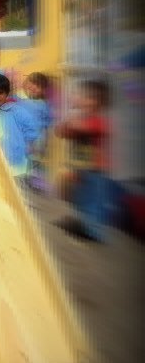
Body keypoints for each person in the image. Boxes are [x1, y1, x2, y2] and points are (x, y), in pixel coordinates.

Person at [54, 79, 124, 243]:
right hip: (80, 169)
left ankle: (94, 231)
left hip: (96, 170)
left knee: (93, 200)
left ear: (99, 103)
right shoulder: (80, 118)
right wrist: (70, 118)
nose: (82, 100)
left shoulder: (99, 120)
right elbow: (61, 131)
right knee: (80, 198)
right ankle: (84, 225)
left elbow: (84, 128)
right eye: (82, 96)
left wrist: (73, 118)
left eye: (87, 97)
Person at [0, 73, 40, 179]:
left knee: (16, 185)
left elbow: (31, 128)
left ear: (7, 93)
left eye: (0, 93)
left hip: (16, 158)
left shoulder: (17, 111)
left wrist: (29, 145)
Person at [20, 71, 54, 192]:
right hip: (23, 138)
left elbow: (48, 123)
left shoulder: (44, 105)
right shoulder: (21, 102)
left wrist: (43, 141)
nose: (33, 87)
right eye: (31, 83)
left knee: (34, 159)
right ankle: (30, 180)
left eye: (38, 86)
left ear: (43, 90)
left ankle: (37, 181)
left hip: (36, 138)